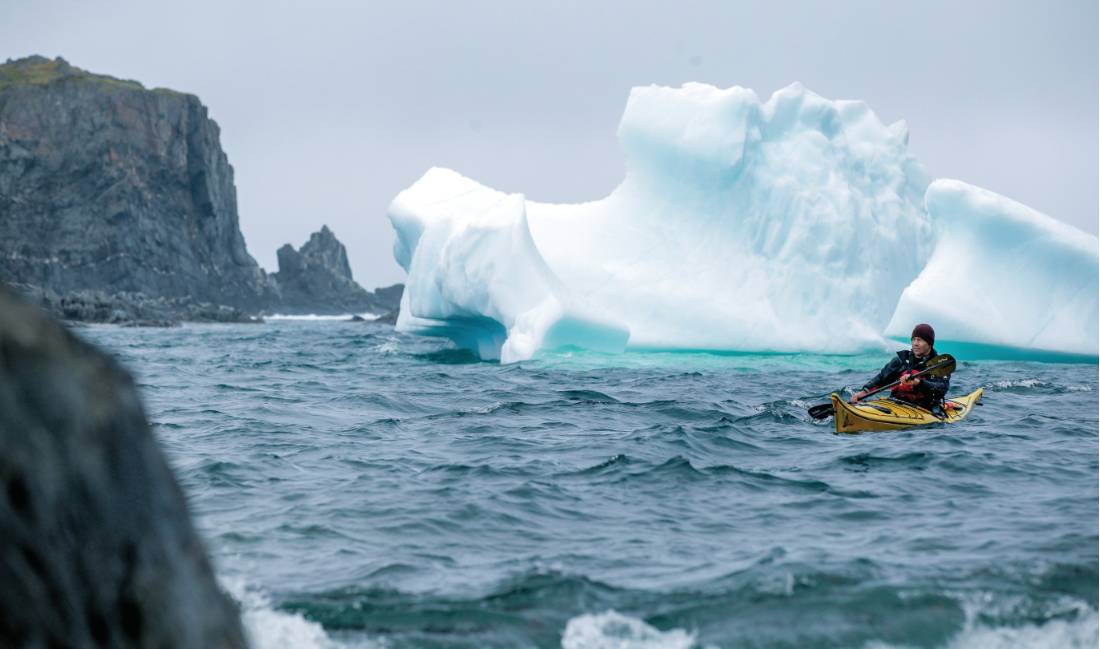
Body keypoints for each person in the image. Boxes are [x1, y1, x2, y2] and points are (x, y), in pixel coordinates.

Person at [849, 323, 949, 414]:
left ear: (929, 343)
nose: (915, 343)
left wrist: (918, 383)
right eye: (913, 339)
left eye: (920, 340)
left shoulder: (938, 365)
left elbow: (942, 388)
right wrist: (863, 392)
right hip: (895, 404)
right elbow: (881, 379)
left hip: (925, 408)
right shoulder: (901, 360)